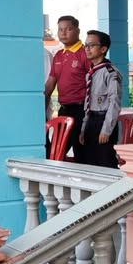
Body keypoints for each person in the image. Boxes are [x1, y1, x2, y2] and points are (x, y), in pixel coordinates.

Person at [44, 15, 89, 160]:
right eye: (60, 29)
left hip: (81, 110)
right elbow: (50, 85)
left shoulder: (85, 54)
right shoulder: (58, 55)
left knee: (81, 153)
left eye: (68, 29)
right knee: (55, 152)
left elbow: (94, 83)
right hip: (64, 109)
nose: (63, 33)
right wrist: (41, 112)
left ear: (78, 31)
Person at [79, 30, 122, 168]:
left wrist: (106, 130)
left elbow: (114, 103)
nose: (87, 48)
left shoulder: (110, 72)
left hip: (104, 120)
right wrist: (84, 129)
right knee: (90, 162)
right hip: (91, 120)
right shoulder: (91, 73)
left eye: (91, 45)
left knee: (106, 162)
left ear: (103, 49)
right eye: (85, 45)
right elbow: (88, 104)